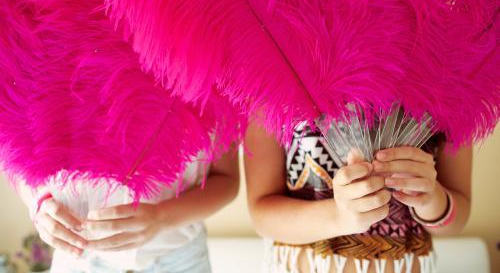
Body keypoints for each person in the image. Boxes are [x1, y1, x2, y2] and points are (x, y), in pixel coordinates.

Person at [244, 114, 471, 273]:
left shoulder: (447, 70)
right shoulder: (280, 65)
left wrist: (430, 199)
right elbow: (262, 213)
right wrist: (340, 217)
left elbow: (457, 219)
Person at [18, 148, 239, 273]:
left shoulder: (215, 74)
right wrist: (38, 201)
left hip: (179, 259)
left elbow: (226, 179)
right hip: (80, 259)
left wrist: (161, 217)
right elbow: (15, 152)